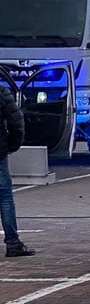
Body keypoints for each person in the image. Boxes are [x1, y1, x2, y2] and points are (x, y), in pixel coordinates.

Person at [0, 84, 35, 257]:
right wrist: (13, 144)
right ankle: (12, 243)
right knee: (5, 198)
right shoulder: (1, 92)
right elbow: (16, 121)